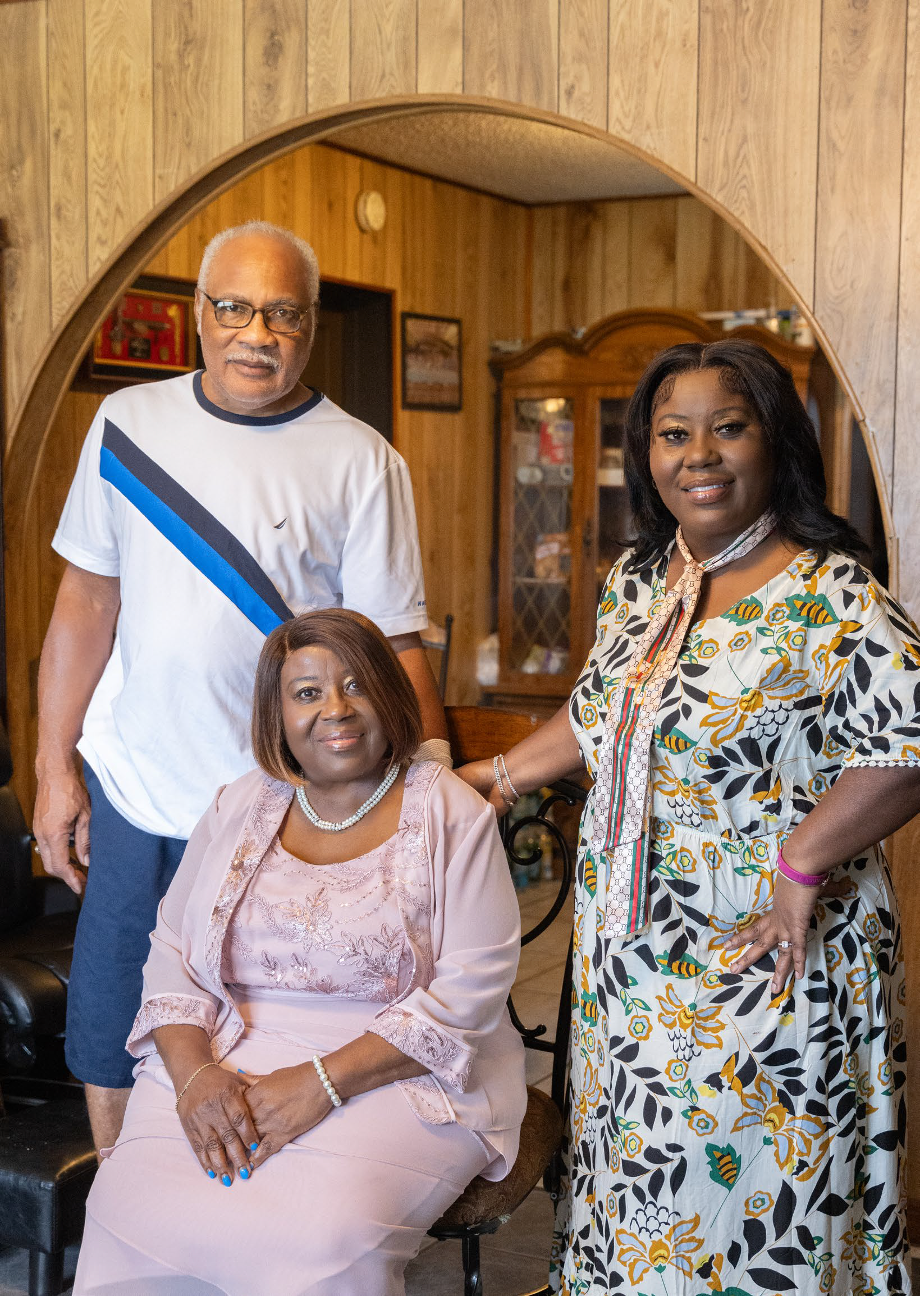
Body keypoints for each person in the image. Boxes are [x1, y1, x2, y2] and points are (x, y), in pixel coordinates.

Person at [459, 339, 920, 1294]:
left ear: (774, 441)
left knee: (759, 1200)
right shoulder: (641, 580)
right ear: (647, 452)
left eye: (728, 428)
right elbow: (598, 714)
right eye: (673, 434)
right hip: (634, 960)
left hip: (770, 952)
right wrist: (493, 777)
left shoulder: (832, 594)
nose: (698, 455)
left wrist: (800, 865)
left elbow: (907, 744)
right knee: (643, 1198)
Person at [34, 220, 449, 1154]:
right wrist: (55, 771)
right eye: (234, 308)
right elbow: (85, 604)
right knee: (108, 1024)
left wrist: (432, 793)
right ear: (198, 312)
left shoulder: (362, 460)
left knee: (253, 1034)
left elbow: (393, 645)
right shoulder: (127, 425)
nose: (256, 335)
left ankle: (231, 1214)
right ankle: (125, 1202)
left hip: (279, 805)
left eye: (282, 315)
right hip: (136, 787)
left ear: (310, 326)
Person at [72, 608, 525, 1295]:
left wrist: (321, 1084)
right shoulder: (237, 805)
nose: (335, 709)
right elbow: (173, 953)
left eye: (356, 685)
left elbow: (472, 990)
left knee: (317, 1234)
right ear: (276, 714)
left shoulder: (449, 811)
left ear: (390, 696)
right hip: (227, 1051)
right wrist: (195, 1079)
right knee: (125, 1204)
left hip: (398, 1073)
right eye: (307, 692)